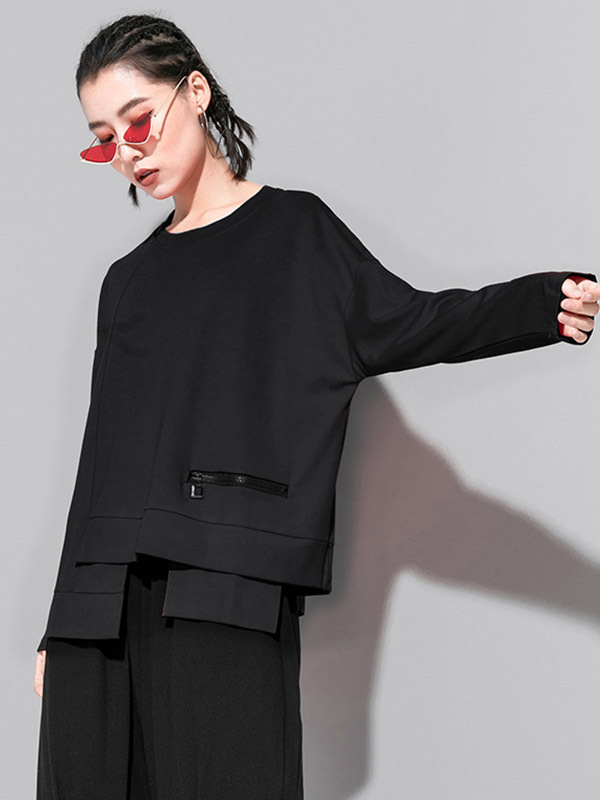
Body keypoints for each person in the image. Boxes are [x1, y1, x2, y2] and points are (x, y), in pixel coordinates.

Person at [34, 12, 599, 800]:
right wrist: (60, 623)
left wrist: (544, 303)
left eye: (137, 121)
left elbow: (413, 323)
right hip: (100, 616)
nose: (128, 152)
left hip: (226, 583)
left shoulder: (297, 233)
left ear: (194, 92)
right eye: (104, 141)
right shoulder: (125, 281)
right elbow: (100, 461)